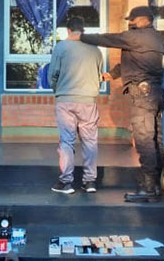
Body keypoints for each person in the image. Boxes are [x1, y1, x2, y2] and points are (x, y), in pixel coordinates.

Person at [78, 6, 164, 203]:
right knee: (154, 140)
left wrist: (81, 37)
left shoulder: (137, 36)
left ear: (143, 20)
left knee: (144, 141)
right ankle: (155, 185)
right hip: (155, 93)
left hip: (143, 95)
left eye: (132, 20)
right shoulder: (156, 38)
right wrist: (111, 75)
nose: (130, 24)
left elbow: (108, 39)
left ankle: (149, 188)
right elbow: (134, 62)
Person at [48, 16, 105, 195]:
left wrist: (58, 90)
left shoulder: (61, 47)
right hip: (88, 101)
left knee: (67, 141)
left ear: (68, 30)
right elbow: (99, 76)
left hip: (65, 100)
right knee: (90, 141)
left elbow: (52, 74)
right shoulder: (96, 50)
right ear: (83, 29)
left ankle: (66, 182)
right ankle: (90, 182)